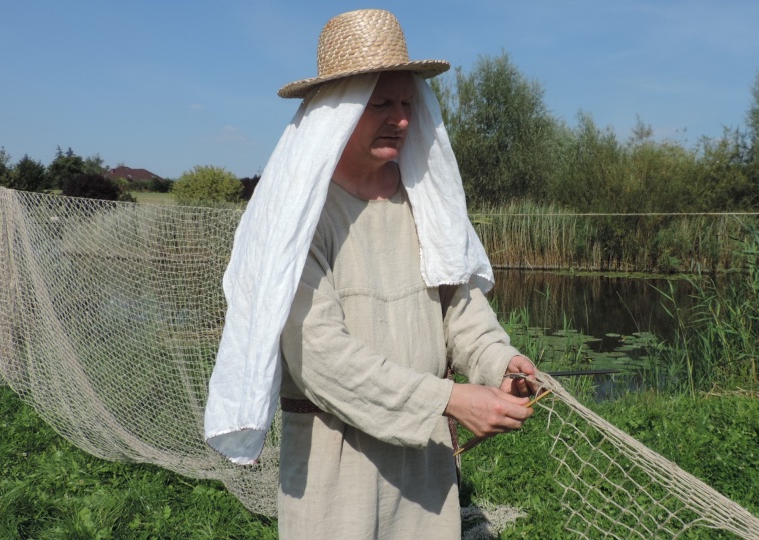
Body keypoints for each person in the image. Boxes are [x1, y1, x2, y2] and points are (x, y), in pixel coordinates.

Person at [203, 9, 537, 538]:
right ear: (339, 107)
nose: (401, 118)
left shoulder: (425, 200)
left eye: (407, 102)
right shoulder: (297, 221)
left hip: (423, 457)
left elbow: (462, 309)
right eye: (381, 103)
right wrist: (448, 400)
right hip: (334, 461)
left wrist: (500, 362)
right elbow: (320, 357)